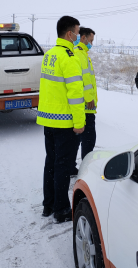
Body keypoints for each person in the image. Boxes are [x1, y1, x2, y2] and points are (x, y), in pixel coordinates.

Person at [37, 15, 85, 223]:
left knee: (51, 162)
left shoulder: (49, 55)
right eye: (78, 32)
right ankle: (62, 209)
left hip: (48, 120)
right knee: (63, 166)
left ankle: (48, 205)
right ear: (69, 34)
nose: (78, 36)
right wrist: (79, 123)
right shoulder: (69, 57)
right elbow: (75, 94)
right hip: (65, 122)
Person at [71, 27, 97, 174]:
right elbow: (84, 79)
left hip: (83, 104)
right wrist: (89, 98)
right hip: (85, 105)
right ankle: (86, 168)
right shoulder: (79, 54)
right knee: (88, 139)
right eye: (90, 40)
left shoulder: (82, 53)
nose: (91, 44)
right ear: (83, 38)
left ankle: (72, 166)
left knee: (78, 139)